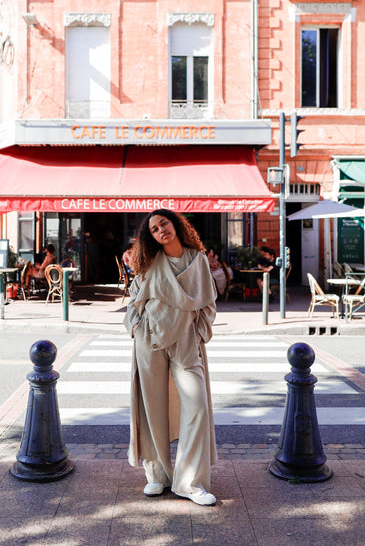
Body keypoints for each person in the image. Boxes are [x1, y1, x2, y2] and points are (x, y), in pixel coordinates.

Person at [124, 209, 217, 506]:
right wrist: (136, 327)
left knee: (197, 406)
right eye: (153, 229)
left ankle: (190, 482)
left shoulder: (197, 259)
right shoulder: (150, 263)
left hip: (186, 342)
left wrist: (199, 334)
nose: (160, 230)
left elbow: (208, 304)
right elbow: (134, 300)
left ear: (175, 224)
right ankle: (157, 475)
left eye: (163, 223)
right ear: (151, 236)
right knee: (152, 408)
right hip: (149, 338)